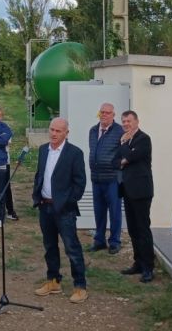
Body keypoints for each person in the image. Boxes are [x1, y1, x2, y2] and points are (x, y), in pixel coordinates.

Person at [32, 117, 88, 304]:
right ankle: (53, 281)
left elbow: (80, 183)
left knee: (72, 248)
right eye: (52, 130)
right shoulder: (43, 150)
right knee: (49, 246)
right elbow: (39, 175)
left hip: (64, 210)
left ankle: (80, 286)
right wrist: (37, 197)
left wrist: (67, 201)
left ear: (66, 133)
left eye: (58, 131)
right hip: (45, 206)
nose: (54, 134)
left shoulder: (74, 153)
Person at [118, 110, 155, 282]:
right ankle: (138, 263)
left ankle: (148, 267)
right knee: (132, 229)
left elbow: (132, 156)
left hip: (141, 191)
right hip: (127, 190)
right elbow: (116, 160)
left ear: (137, 122)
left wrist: (125, 152)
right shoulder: (125, 140)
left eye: (129, 121)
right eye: (123, 121)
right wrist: (125, 155)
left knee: (142, 229)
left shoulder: (143, 139)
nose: (126, 124)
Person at [88, 103, 125, 254]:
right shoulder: (93, 130)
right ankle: (99, 240)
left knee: (115, 211)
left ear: (113, 115)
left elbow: (124, 153)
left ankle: (115, 241)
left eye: (107, 113)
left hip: (112, 178)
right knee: (99, 210)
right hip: (96, 177)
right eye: (102, 112)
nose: (104, 115)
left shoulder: (119, 131)